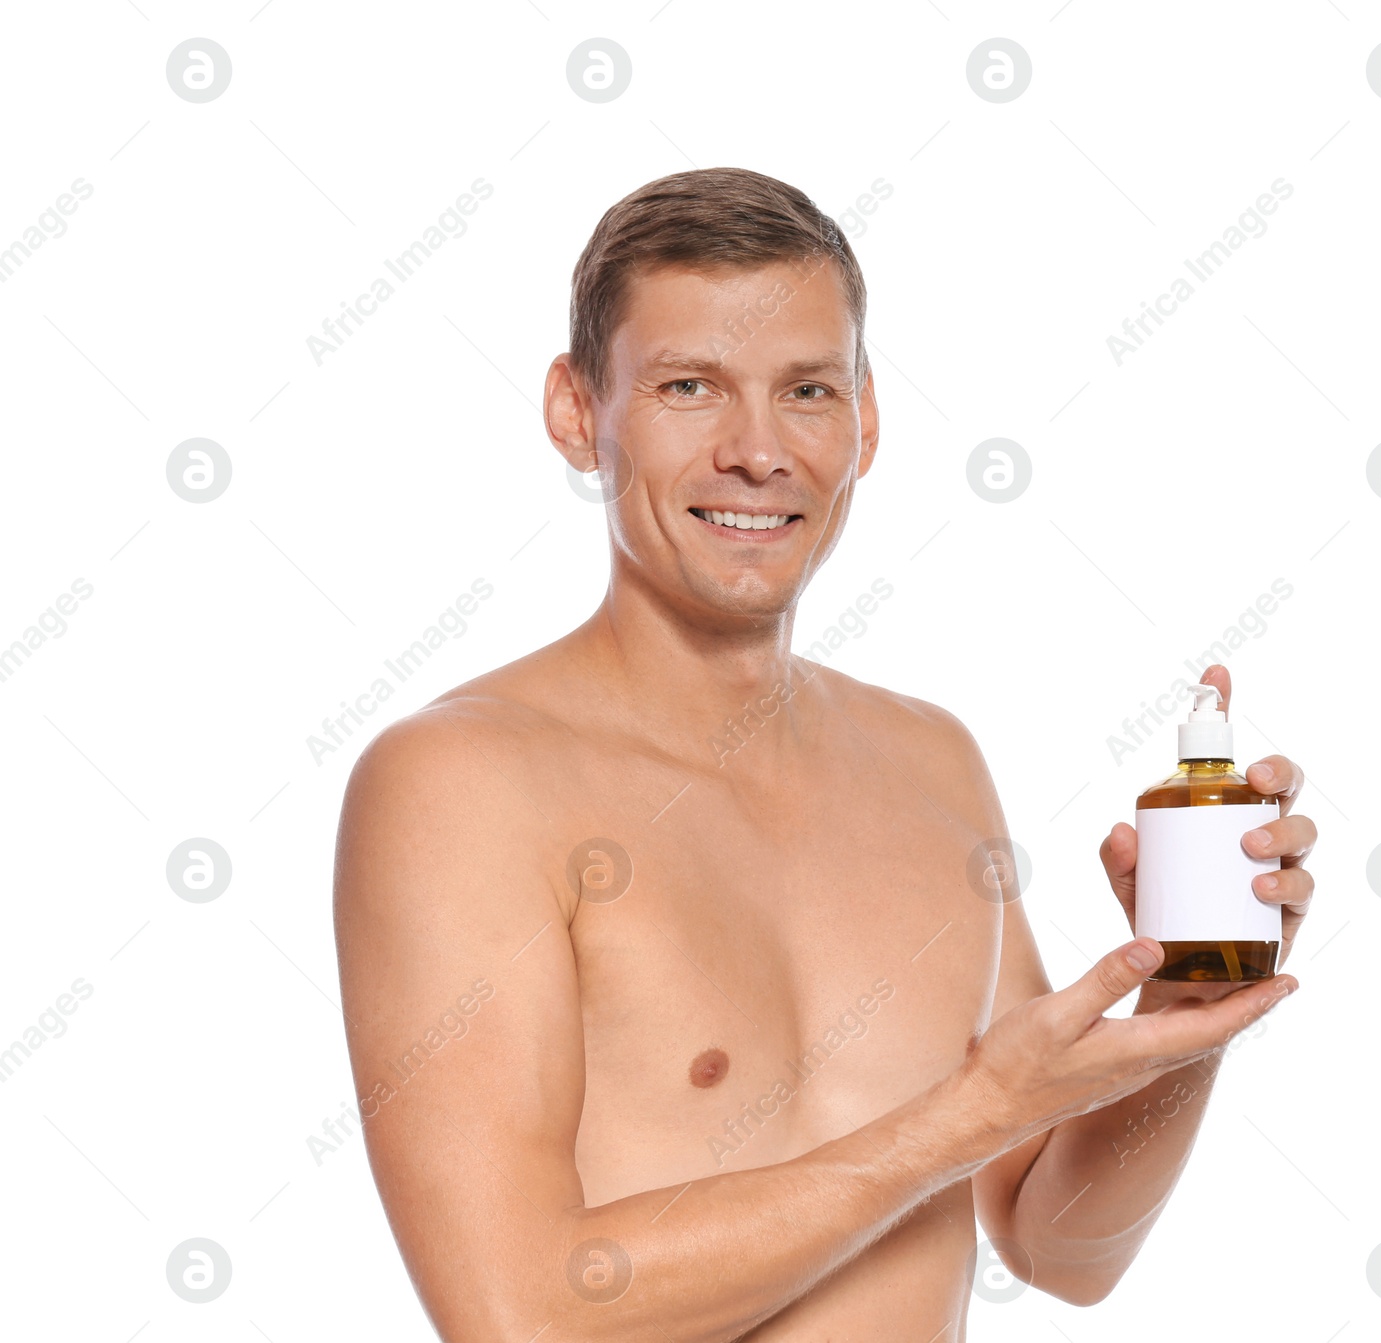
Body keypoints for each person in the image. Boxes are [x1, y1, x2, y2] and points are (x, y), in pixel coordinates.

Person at [332, 166, 1317, 1342]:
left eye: (805, 391)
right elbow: (521, 1315)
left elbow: (1057, 1248)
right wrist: (962, 1118)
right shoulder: (459, 783)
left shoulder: (929, 761)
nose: (758, 451)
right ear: (575, 410)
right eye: (689, 386)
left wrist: (1179, 1011)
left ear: (864, 423)